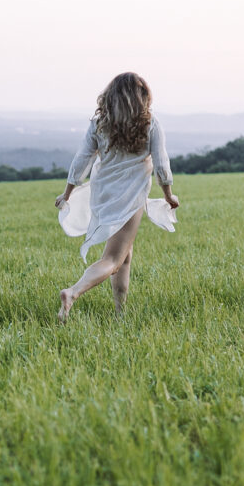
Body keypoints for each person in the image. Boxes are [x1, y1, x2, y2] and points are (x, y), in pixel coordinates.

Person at [55, 72, 179, 322]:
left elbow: (82, 160)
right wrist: (169, 195)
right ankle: (73, 292)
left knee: (125, 255)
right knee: (113, 258)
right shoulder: (150, 123)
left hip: (102, 193)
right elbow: (162, 164)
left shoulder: (100, 122)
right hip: (130, 196)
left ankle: (120, 313)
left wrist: (67, 193)